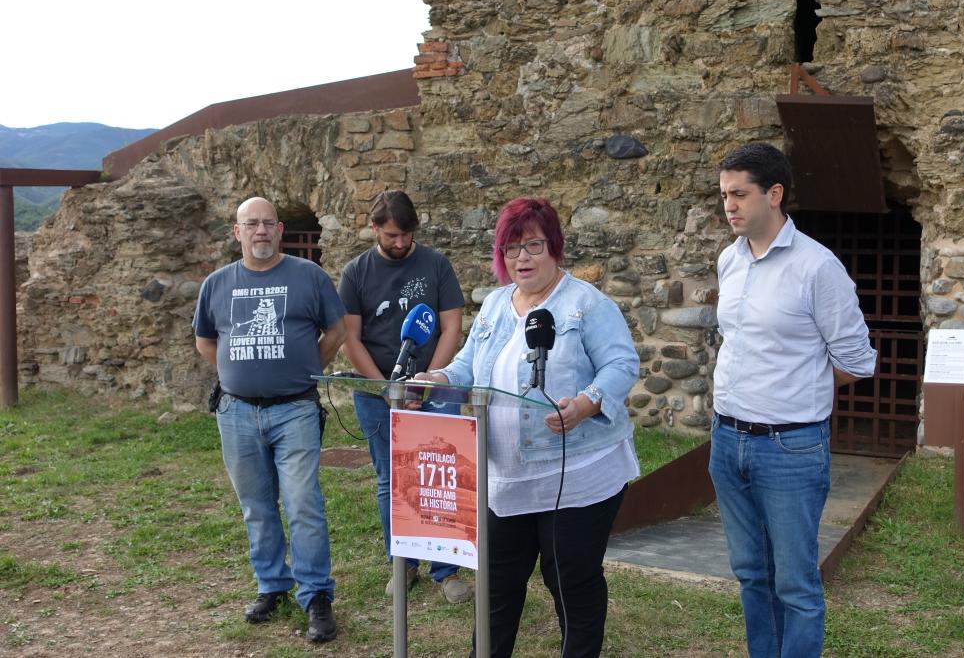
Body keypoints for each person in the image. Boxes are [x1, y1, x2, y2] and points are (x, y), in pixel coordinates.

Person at [414, 197, 640, 657]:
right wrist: (437, 378)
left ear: (554, 247)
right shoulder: (497, 304)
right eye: (511, 248)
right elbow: (467, 367)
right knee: (497, 586)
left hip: (577, 478)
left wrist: (587, 402)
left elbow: (621, 363)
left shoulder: (585, 304)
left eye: (533, 245)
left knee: (570, 581)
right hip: (505, 478)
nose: (522, 258)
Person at [708, 143, 877, 658]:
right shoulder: (728, 261)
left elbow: (857, 360)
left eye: (739, 194)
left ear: (774, 194)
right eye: (723, 195)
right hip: (726, 439)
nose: (729, 206)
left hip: (790, 448)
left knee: (796, 584)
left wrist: (797, 387)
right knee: (751, 573)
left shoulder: (816, 268)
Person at [193, 196, 345, 644]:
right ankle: (272, 585)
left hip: (294, 409)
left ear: (280, 230)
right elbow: (206, 341)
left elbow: (335, 331)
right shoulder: (217, 284)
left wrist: (302, 370)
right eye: (250, 224)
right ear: (237, 233)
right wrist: (238, 375)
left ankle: (316, 595)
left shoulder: (309, 277)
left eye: (267, 224)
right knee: (256, 508)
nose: (260, 231)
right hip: (236, 412)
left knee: (302, 504)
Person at [337, 190, 473, 603]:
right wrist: (387, 388)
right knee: (390, 479)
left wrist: (430, 379)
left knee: (442, 476)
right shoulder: (355, 272)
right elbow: (350, 338)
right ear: (375, 227)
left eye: (407, 235)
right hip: (377, 391)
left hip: (434, 387)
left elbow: (451, 326)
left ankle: (446, 570)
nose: (401, 243)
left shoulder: (435, 264)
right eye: (392, 235)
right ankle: (403, 563)